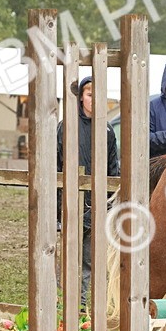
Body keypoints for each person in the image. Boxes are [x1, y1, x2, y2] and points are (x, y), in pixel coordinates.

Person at [57, 76, 120, 302]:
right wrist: (57, 209)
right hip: (71, 202)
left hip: (97, 205)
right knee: (67, 257)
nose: (94, 100)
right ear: (81, 97)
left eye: (99, 95)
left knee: (90, 259)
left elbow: (114, 170)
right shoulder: (66, 127)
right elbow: (56, 166)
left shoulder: (108, 130)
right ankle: (64, 302)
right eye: (90, 94)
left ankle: (83, 305)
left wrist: (111, 204)